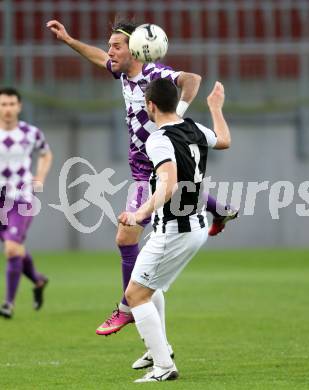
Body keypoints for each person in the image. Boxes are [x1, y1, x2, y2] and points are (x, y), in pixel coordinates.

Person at [46, 19, 237, 336]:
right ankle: (218, 209)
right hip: (147, 166)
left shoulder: (154, 74)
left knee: (125, 237)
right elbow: (96, 57)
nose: (110, 52)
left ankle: (126, 307)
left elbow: (192, 78)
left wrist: (177, 115)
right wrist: (68, 39)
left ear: (135, 49)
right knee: (180, 193)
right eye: (110, 46)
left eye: (116, 46)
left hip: (149, 171)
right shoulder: (122, 72)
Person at [119, 78, 231, 382]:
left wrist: (138, 212)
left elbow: (167, 184)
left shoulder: (157, 139)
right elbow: (223, 139)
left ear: (151, 105)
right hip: (192, 223)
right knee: (148, 288)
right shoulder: (194, 128)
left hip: (176, 228)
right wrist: (215, 108)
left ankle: (164, 366)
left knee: (135, 295)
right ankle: (161, 350)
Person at [0, 87, 53, 319]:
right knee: (17, 249)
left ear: (19, 106)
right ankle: (38, 280)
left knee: (11, 248)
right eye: (3, 104)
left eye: (12, 104)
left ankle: (8, 304)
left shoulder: (31, 133)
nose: (8, 109)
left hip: (21, 198)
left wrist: (40, 177)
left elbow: (46, 154)